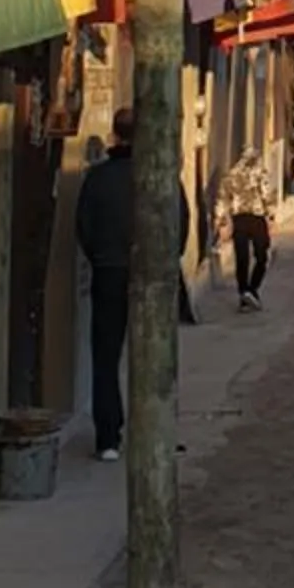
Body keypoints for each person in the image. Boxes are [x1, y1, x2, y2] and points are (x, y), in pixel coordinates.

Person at [74, 111, 192, 460]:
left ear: (114, 135)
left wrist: (101, 257)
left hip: (108, 272)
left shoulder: (96, 179)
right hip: (153, 274)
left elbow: (83, 228)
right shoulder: (162, 177)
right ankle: (156, 430)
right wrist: (169, 260)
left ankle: (108, 437)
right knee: (155, 356)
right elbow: (180, 225)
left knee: (106, 356)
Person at [224, 140, 277, 310]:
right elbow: (267, 195)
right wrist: (271, 217)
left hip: (239, 219)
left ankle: (243, 293)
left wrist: (221, 222)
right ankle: (252, 290)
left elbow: (223, 198)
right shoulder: (260, 172)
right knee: (262, 257)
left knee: (242, 258)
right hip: (257, 218)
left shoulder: (231, 174)